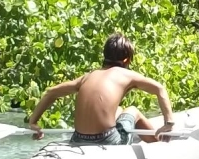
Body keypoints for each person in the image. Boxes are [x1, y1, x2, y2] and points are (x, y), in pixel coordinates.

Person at [27, 33, 175, 146]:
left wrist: (33, 122)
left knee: (119, 110)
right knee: (132, 110)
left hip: (78, 138)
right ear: (127, 60)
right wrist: (168, 123)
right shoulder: (126, 75)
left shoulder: (88, 76)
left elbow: (51, 92)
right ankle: (159, 146)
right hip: (107, 140)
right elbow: (160, 89)